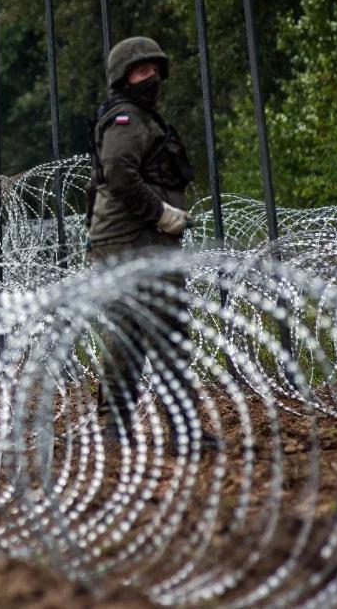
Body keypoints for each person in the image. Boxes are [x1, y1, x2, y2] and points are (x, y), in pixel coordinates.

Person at [86, 37, 207, 449]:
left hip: (132, 239)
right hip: (134, 240)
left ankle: (120, 427)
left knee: (129, 333)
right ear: (123, 77)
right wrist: (159, 214)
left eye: (155, 69)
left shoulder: (140, 116)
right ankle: (175, 429)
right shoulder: (127, 118)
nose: (150, 77)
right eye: (141, 70)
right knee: (161, 330)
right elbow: (119, 172)